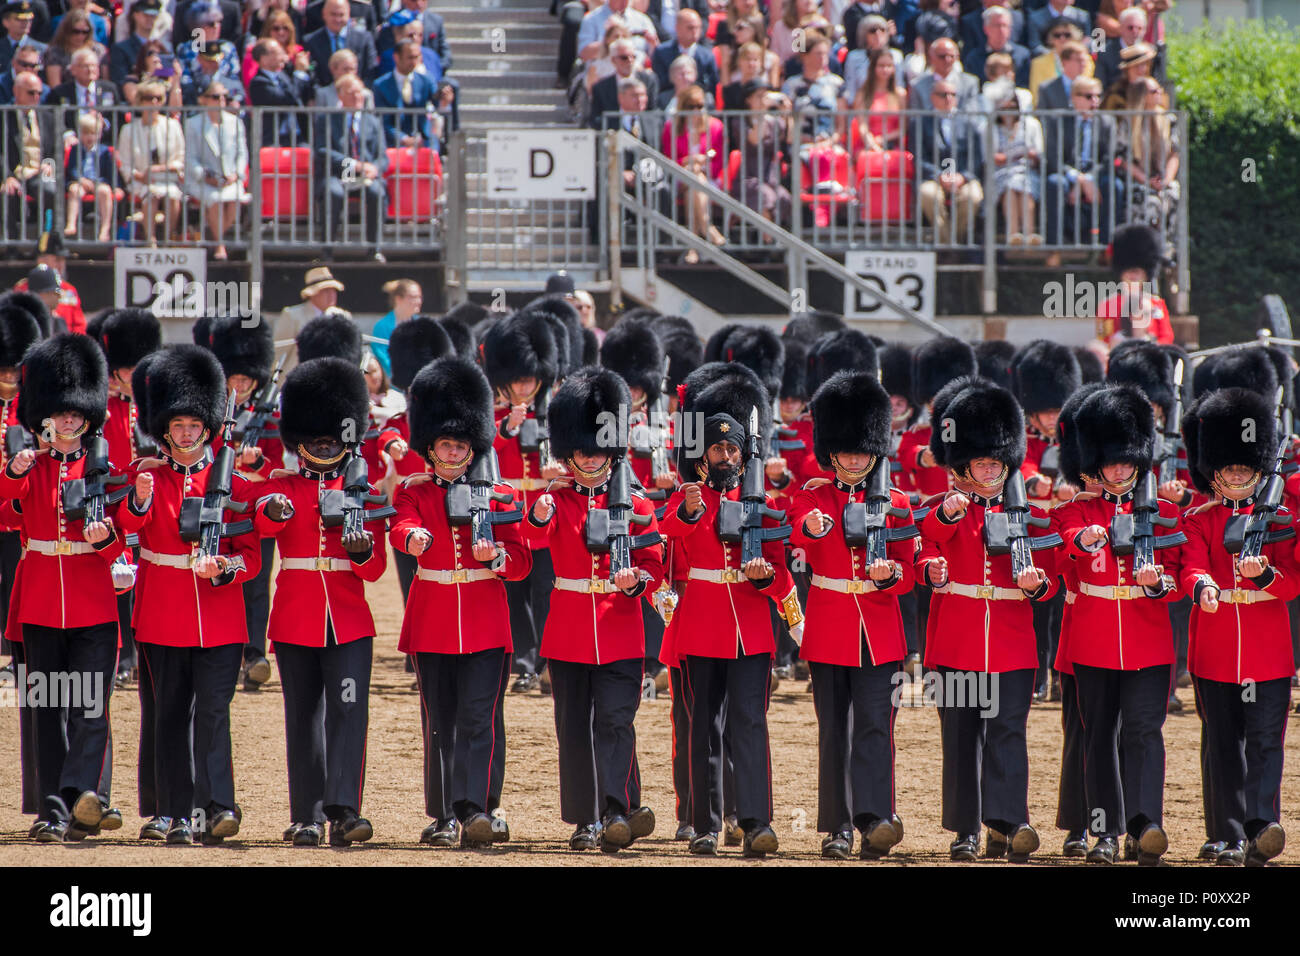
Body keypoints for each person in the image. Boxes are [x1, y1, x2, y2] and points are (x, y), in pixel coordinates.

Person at [118, 344, 262, 845]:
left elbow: (252, 555)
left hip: (220, 617)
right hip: (161, 612)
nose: (184, 432)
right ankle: (170, 811)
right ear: (165, 428)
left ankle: (217, 806)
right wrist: (137, 501)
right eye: (176, 425)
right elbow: (124, 530)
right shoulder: (149, 476)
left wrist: (226, 567)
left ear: (206, 425)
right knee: (168, 713)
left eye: (192, 424)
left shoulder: (233, 483)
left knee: (214, 713)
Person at [659, 362, 802, 857]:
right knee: (703, 728)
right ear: (703, 455)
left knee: (751, 723)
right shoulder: (686, 501)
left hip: (752, 633)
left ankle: (756, 821)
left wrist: (767, 580)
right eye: (717, 447)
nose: (725, 455)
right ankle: (705, 823)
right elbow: (663, 540)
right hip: (699, 628)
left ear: (744, 454)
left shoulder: (763, 502)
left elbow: (784, 575)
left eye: (733, 447)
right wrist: (687, 511)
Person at [917, 376, 1058, 863]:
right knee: (960, 738)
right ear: (963, 465)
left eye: (997, 461)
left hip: (1012, 643)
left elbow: (1052, 579)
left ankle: (1005, 823)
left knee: (1007, 734)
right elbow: (927, 547)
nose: (991, 469)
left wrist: (1037, 584)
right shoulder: (944, 509)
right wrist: (936, 560)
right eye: (981, 461)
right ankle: (964, 830)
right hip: (955, 642)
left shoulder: (1029, 515)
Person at [524, 366, 664, 852]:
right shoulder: (556, 500)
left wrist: (637, 583)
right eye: (581, 448)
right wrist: (539, 509)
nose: (589, 457)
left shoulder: (638, 506)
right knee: (573, 727)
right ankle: (584, 818)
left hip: (621, 627)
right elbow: (531, 541)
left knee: (615, 721)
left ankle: (618, 809)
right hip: (567, 627)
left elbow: (654, 566)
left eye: (598, 447)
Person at [389, 356, 525, 847]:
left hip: (486, 619)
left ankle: (482, 807)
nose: (452, 451)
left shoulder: (501, 494)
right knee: (440, 721)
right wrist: (414, 539)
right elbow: (400, 525)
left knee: (480, 717)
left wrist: (501, 557)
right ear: (431, 445)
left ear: (474, 447)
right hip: (433, 618)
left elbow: (523, 560)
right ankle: (445, 813)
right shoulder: (415, 490)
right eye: (445, 443)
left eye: (461, 444)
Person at [252, 357, 386, 848]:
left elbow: (374, 571)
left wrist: (361, 549)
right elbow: (264, 522)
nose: (325, 446)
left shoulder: (363, 492)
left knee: (349, 713)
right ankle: (306, 815)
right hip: (295, 618)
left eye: (332, 438)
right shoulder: (282, 486)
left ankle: (345, 810)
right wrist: (275, 510)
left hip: (348, 622)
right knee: (302, 716)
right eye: (317, 437)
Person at [1052, 383, 1179, 865]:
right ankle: (1103, 831)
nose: (1121, 469)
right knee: (1099, 735)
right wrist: (1085, 540)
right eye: (1112, 462)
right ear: (1096, 464)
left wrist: (1159, 581)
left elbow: (1184, 571)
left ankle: (1144, 827)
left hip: (1148, 642)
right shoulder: (1077, 510)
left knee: (1144, 732)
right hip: (1094, 640)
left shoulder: (1165, 515)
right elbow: (1065, 548)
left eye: (1128, 461)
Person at [4, 333, 124, 842]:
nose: (70, 421)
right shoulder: (29, 465)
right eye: (61, 413)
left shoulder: (105, 469)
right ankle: (52, 808)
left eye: (77, 414)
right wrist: (13, 470)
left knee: (90, 706)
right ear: (45, 415)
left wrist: (107, 538)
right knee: (46, 711)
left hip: (93, 601)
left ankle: (81, 796)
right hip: (38, 601)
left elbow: (124, 543)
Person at [788, 370, 912, 860]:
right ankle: (837, 826)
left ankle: (876, 818)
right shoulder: (814, 496)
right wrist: (816, 529)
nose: (857, 459)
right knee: (833, 728)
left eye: (864, 450)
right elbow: (799, 532)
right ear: (831, 451)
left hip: (880, 629)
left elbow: (912, 572)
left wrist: (890, 577)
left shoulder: (897, 501)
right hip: (831, 624)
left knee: (877, 727)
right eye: (848, 451)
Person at [1179, 386, 1294, 867]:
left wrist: (1265, 574)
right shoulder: (1200, 519)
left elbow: (1293, 582)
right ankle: (1224, 834)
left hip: (1268, 650)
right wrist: (1203, 585)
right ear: (1214, 473)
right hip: (1217, 645)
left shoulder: (1284, 518)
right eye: (1229, 469)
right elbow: (1191, 564)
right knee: (1222, 742)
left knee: (1267, 741)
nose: (1238, 476)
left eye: (1246, 468)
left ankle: (1261, 825)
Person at [481, 310, 564, 693]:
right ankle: (525, 661)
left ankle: (548, 660)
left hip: (546, 514)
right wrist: (509, 426)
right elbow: (482, 451)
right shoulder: (492, 412)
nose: (525, 385)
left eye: (531, 379)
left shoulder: (554, 410)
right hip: (509, 513)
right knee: (515, 592)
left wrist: (558, 470)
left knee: (547, 591)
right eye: (518, 379)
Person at [204, 314, 282, 692]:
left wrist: (258, 462)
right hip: (216, 507)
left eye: (246, 379)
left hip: (253, 510)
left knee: (256, 583)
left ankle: (254, 652)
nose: (240, 385)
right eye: (235, 378)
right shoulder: (210, 412)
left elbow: (281, 469)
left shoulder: (270, 417)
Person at [1012, 340, 1081, 701]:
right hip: (1036, 532)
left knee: (1067, 606)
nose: (1053, 418)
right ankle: (1039, 676)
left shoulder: (1075, 437)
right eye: (1047, 411)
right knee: (1038, 609)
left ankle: (1061, 674)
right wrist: (1037, 481)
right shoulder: (1026, 438)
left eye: (1057, 410)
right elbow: (1023, 467)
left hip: (1069, 533)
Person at [1043, 76, 1119, 258]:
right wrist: (1077, 178)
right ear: (1074, 98)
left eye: (1098, 96)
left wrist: (1088, 179)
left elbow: (1109, 157)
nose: (1095, 101)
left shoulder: (1107, 121)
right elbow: (1053, 157)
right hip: (1068, 173)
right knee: (1055, 183)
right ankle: (1054, 249)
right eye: (1089, 96)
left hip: (1096, 174)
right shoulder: (1059, 120)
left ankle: (1106, 248)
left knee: (1115, 186)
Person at [314, 73, 388, 260]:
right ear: (340, 95)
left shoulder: (372, 121)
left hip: (365, 177)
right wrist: (354, 165)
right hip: (337, 174)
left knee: (377, 192)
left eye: (359, 92)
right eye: (351, 92)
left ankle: (374, 250)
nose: (357, 96)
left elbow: (383, 157)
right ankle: (327, 250)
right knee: (334, 192)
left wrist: (374, 168)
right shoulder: (327, 119)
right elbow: (323, 150)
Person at [183, 80, 248, 261]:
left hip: (229, 179)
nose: (221, 101)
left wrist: (236, 174)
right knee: (216, 200)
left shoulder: (235, 122)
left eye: (224, 97)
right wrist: (206, 176)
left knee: (236, 200)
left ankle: (212, 235)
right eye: (215, 97)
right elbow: (190, 157)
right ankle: (219, 243)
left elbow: (242, 153)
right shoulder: (192, 124)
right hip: (202, 180)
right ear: (203, 100)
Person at [915, 78, 984, 243]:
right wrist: (939, 175)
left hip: (962, 177)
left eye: (953, 95)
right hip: (933, 178)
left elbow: (976, 157)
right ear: (932, 97)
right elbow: (918, 157)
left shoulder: (968, 122)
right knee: (928, 194)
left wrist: (963, 176)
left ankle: (953, 242)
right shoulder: (921, 122)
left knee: (973, 196)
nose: (948, 99)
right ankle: (948, 245)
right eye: (943, 94)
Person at [661, 84, 725, 262]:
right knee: (692, 178)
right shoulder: (671, 128)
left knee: (694, 184)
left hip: (708, 179)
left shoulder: (715, 127)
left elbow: (719, 161)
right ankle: (707, 228)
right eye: (691, 106)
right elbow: (668, 159)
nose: (696, 110)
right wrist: (687, 161)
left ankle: (693, 247)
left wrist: (701, 164)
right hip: (679, 178)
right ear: (683, 107)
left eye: (700, 106)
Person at [116, 81, 184, 246]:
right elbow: (123, 162)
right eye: (149, 98)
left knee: (172, 195)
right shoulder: (128, 130)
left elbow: (180, 157)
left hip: (168, 178)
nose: (154, 102)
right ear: (140, 101)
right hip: (141, 181)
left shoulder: (173, 126)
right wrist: (140, 176)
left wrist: (161, 169)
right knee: (151, 193)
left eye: (158, 98)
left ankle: (168, 238)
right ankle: (150, 239)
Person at [1096, 223, 1174, 345]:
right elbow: (1103, 338)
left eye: (1138, 272)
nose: (1133, 276)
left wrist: (1151, 341)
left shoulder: (1157, 304)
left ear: (1146, 275)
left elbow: (1166, 337)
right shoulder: (1106, 306)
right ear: (1121, 273)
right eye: (1129, 271)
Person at [1120, 75, 1179, 236]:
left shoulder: (1168, 119)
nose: (1160, 93)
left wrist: (1166, 179)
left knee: (1172, 194)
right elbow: (1122, 159)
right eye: (1154, 91)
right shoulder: (1128, 121)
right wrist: (1146, 180)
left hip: (1162, 178)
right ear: (1142, 96)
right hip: (1137, 179)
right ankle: (1145, 248)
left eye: (1159, 89)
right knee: (1149, 201)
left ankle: (1167, 248)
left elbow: (1175, 154)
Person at [987, 77, 1042, 245]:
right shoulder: (990, 127)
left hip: (1027, 172)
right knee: (1010, 186)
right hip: (1000, 174)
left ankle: (1029, 234)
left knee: (1025, 186)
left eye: (1012, 104)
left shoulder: (1031, 124)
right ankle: (1013, 235)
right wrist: (1020, 152)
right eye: (1004, 105)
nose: (1009, 108)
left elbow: (1038, 154)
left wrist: (1017, 155)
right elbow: (995, 158)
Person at [1, 71, 57, 236]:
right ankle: (12, 245)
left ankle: (44, 242)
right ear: (16, 92)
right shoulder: (4, 117)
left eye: (39, 93)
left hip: (38, 173)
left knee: (50, 191)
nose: (36, 97)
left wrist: (49, 163)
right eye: (31, 92)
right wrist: (7, 176)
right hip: (14, 172)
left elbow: (55, 150)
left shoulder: (47, 117)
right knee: (7, 193)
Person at [735, 81, 792, 227]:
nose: (762, 100)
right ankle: (767, 240)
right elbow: (754, 140)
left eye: (765, 96)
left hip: (769, 176)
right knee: (766, 195)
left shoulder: (774, 122)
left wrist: (788, 114)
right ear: (748, 99)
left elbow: (790, 139)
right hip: (748, 176)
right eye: (759, 96)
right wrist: (761, 114)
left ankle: (772, 237)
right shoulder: (741, 121)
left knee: (783, 196)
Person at [373, 37, 440, 149]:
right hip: (394, 146)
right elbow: (383, 120)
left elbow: (437, 102)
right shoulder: (381, 85)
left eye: (417, 57)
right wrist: (403, 139)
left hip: (423, 143)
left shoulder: (426, 80)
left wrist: (443, 99)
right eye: (410, 57)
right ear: (396, 58)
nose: (414, 62)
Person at [277, 266, 353, 363]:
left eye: (333, 290)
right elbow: (279, 352)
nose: (331, 295)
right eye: (325, 291)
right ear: (313, 294)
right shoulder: (292, 315)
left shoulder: (344, 317)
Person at [247, 39, 314, 147]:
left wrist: (305, 69)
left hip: (298, 137)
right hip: (275, 139)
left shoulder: (284, 76)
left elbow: (300, 92)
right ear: (263, 59)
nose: (282, 56)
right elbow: (287, 98)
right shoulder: (258, 82)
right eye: (277, 52)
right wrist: (299, 73)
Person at [47, 48, 121, 141]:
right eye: (85, 66)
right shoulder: (60, 92)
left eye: (93, 66)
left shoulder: (109, 89)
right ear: (73, 69)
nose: (90, 70)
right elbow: (52, 119)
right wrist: (67, 134)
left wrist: (104, 123)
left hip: (103, 144)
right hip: (72, 143)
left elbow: (119, 117)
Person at [14, 232, 83, 332]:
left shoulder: (69, 290)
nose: (61, 265)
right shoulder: (23, 289)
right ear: (42, 261)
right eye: (56, 260)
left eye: (62, 260)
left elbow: (79, 327)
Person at [588, 36, 659, 129]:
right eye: (624, 57)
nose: (630, 61)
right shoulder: (601, 88)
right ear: (613, 60)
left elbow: (652, 112)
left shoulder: (649, 81)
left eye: (633, 57)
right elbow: (596, 119)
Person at [303, 0, 378, 87]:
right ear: (324, 14)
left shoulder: (364, 39)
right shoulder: (311, 42)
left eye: (341, 15)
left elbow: (370, 71)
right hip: (325, 95)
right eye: (333, 14)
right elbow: (311, 69)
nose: (337, 19)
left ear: (348, 15)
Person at [841, 14, 902, 110]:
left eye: (882, 29)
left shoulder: (896, 55)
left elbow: (898, 84)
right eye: (873, 30)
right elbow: (850, 87)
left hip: (889, 107)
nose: (878, 34)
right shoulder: (854, 57)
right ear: (864, 34)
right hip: (861, 107)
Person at [849, 47, 903, 152]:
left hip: (891, 145)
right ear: (873, 67)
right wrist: (874, 145)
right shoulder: (863, 94)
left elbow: (903, 128)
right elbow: (862, 126)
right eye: (881, 66)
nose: (885, 70)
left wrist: (883, 139)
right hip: (867, 145)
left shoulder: (900, 94)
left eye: (889, 66)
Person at [963, 5, 1030, 89]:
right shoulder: (973, 58)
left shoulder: (1022, 55)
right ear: (985, 29)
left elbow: (1025, 85)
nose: (1001, 30)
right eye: (997, 25)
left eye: (1005, 25)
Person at [906, 36, 979, 112]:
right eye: (942, 56)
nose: (947, 60)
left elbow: (972, 117)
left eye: (951, 56)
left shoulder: (969, 83)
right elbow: (915, 120)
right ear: (931, 57)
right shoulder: (918, 85)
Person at [242, 8, 308, 91]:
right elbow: (250, 81)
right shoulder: (255, 51)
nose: (281, 32)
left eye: (285, 28)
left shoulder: (298, 52)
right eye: (276, 28)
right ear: (268, 30)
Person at [370, 279, 422, 378]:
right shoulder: (382, 326)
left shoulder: (422, 326)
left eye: (420, 297)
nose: (418, 301)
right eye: (413, 297)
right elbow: (383, 359)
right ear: (398, 299)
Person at [41, 7, 103, 88]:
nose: (80, 36)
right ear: (66, 30)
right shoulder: (55, 52)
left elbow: (104, 81)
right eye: (76, 31)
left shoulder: (97, 50)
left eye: (85, 32)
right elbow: (55, 86)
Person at [108, 0, 162, 89]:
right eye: (145, 15)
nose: (150, 19)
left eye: (153, 16)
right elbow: (120, 81)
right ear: (135, 15)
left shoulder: (161, 49)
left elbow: (167, 76)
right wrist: (148, 73)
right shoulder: (121, 49)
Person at [1034, 35, 1089, 110]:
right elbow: (1043, 117)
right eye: (1079, 60)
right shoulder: (1047, 88)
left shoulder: (1091, 87)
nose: (1083, 64)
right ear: (1064, 62)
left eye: (1085, 61)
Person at [1026, 0, 1090, 57]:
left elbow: (1088, 40)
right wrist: (1057, 55)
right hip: (1048, 63)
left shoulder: (1082, 16)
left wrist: (1074, 53)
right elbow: (1035, 46)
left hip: (1077, 60)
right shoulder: (1036, 18)